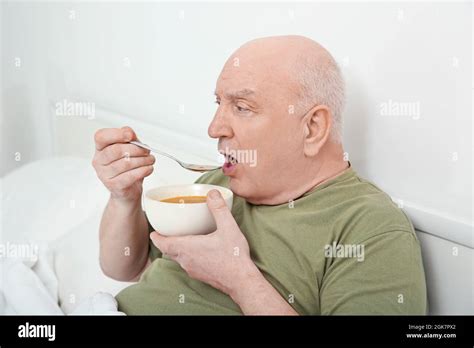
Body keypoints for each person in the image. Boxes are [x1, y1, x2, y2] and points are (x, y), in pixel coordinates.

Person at [92, 35, 427, 315]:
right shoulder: (217, 185)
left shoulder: (371, 227)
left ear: (312, 128)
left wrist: (239, 280)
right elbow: (126, 268)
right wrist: (124, 199)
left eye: (241, 107)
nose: (214, 128)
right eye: (218, 104)